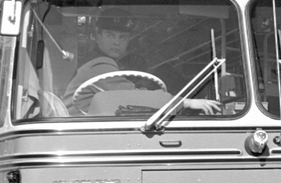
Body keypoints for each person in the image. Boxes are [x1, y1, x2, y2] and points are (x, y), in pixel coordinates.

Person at [63, 13, 219, 115]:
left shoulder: (102, 62)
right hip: (79, 131)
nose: (116, 42)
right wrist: (185, 102)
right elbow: (133, 97)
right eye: (110, 35)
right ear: (98, 37)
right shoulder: (98, 64)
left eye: (123, 37)